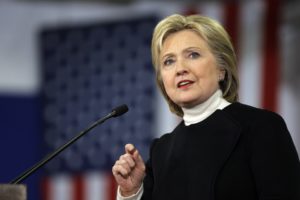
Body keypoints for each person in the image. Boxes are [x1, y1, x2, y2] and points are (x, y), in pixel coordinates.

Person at [112, 14, 300, 200]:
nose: (180, 69)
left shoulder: (262, 127)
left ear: (221, 68)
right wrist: (132, 193)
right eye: (169, 61)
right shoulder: (161, 151)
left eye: (193, 55)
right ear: (163, 80)